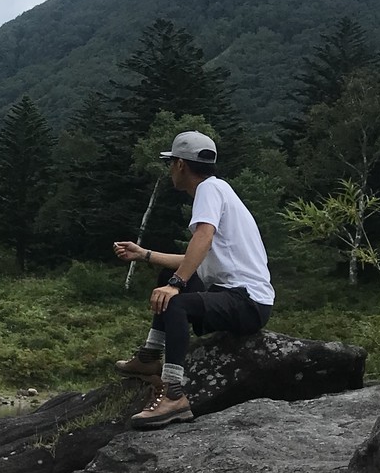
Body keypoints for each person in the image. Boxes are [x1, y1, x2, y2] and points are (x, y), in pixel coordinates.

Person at [111, 130, 274, 429]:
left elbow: (203, 236)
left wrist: (175, 286)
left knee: (176, 303)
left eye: (171, 163)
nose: (171, 169)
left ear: (180, 165)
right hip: (243, 298)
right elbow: (194, 261)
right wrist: (143, 254)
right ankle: (149, 357)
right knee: (169, 278)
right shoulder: (220, 189)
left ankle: (174, 394)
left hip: (248, 301)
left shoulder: (209, 191)